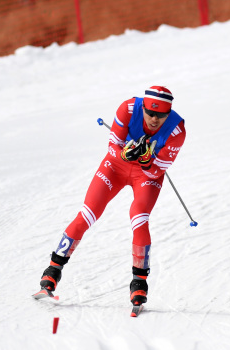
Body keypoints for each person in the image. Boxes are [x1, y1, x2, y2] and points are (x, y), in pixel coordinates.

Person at [36, 86, 186, 308]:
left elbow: (157, 171)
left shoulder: (176, 130)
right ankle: (52, 271)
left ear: (169, 113)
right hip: (115, 167)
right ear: (143, 107)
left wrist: (146, 162)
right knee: (88, 213)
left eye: (161, 116)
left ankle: (139, 284)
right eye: (150, 113)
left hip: (145, 176)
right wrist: (124, 153)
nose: (154, 119)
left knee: (139, 217)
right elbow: (112, 146)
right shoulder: (128, 108)